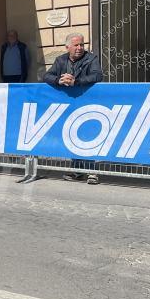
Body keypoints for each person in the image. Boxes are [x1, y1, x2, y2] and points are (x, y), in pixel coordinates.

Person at [44, 33, 105, 185]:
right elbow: (47, 76)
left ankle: (92, 172)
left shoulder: (91, 58)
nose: (80, 48)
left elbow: (97, 76)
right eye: (76, 45)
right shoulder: (61, 60)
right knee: (73, 135)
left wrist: (76, 81)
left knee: (89, 137)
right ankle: (77, 171)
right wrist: (59, 80)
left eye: (82, 45)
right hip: (69, 104)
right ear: (67, 47)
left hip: (87, 103)